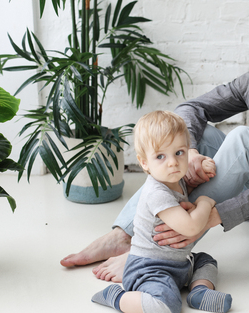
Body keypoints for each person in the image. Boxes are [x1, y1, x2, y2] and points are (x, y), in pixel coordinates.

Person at [61, 0, 249, 282]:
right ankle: (124, 234)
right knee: (191, 139)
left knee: (243, 141)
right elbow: (193, 108)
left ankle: (150, 255)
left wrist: (212, 216)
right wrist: (192, 153)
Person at [91, 110, 232, 313]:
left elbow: (188, 186)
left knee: (206, 261)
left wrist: (203, 163)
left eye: (179, 152)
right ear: (144, 162)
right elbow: (191, 227)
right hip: (149, 269)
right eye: (160, 156)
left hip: (179, 263)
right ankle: (118, 298)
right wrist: (205, 203)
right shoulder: (156, 192)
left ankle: (199, 292)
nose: (173, 162)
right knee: (167, 305)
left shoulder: (175, 178)